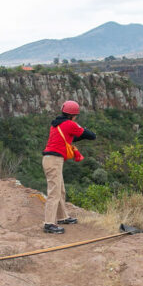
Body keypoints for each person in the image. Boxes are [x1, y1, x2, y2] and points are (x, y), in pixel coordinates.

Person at [41, 100, 96, 234]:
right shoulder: (70, 124)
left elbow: (69, 137)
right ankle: (48, 223)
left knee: (60, 190)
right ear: (74, 115)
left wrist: (77, 134)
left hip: (51, 159)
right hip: (54, 160)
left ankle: (62, 217)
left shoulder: (57, 124)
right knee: (54, 192)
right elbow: (91, 136)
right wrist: (81, 130)